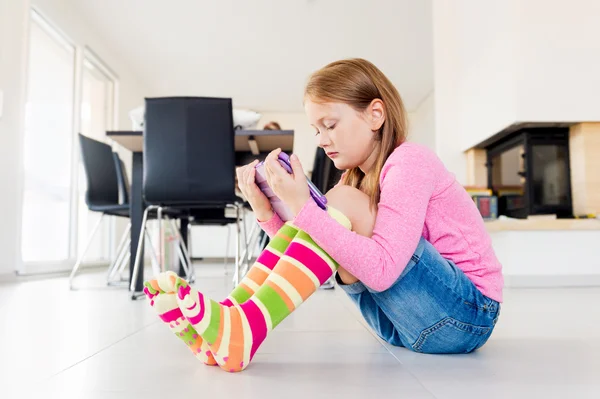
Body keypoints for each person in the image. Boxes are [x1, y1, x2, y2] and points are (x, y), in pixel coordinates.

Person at [143, 58, 503, 372]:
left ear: (375, 115)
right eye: (316, 130)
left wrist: (303, 208)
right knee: (333, 217)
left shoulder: (410, 160)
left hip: (466, 316)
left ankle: (245, 327)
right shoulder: (355, 181)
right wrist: (265, 210)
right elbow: (314, 254)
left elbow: (381, 272)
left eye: (329, 125)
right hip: (402, 323)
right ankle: (232, 318)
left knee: (337, 205)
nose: (321, 139)